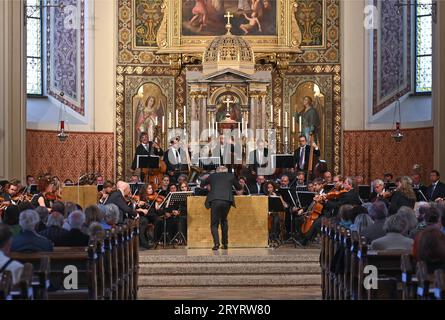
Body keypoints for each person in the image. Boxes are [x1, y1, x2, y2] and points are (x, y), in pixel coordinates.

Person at [200, 166, 242, 250]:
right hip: (227, 200)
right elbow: (239, 188)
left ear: (217, 171)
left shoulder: (212, 176)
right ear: (226, 171)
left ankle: (216, 244)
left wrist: (209, 186)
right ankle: (225, 243)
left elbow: (202, 185)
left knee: (214, 223)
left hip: (215, 199)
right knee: (224, 220)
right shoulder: (231, 176)